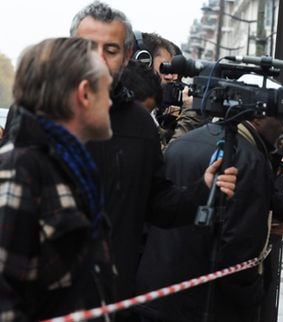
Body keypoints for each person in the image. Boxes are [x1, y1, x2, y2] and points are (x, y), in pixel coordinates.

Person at [70, 2, 237, 318]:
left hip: (113, 301)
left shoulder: (139, 123)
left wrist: (203, 188)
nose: (98, 57)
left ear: (128, 55)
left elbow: (158, 204)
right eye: (88, 46)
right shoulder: (41, 114)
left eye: (111, 48)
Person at [136, 111, 283, 321]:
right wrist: (252, 295)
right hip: (206, 301)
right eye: (282, 116)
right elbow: (239, 244)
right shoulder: (247, 158)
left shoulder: (181, 143)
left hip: (158, 291)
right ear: (256, 116)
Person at [0, 37, 115, 321]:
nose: (111, 101)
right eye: (107, 90)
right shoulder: (21, 167)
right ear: (85, 94)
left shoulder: (70, 166)